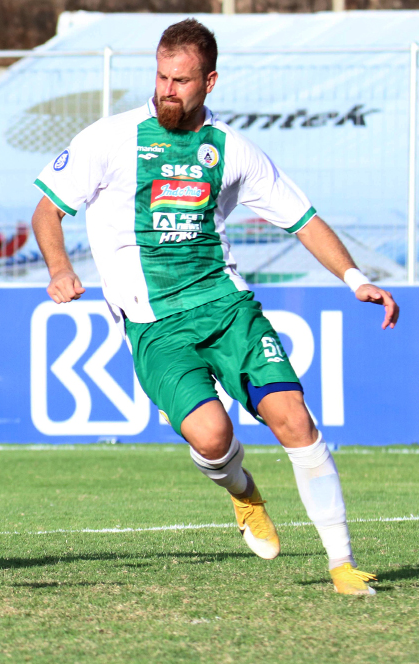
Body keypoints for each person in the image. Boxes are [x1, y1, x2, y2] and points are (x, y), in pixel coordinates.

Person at [31, 19, 398, 595]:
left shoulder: (232, 149)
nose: (166, 89)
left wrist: (354, 278)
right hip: (154, 324)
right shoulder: (110, 139)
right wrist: (59, 269)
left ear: (210, 81)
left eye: (180, 80)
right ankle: (243, 493)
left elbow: (301, 218)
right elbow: (46, 212)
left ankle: (342, 564)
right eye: (160, 76)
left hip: (225, 305)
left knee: (294, 419)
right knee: (210, 436)